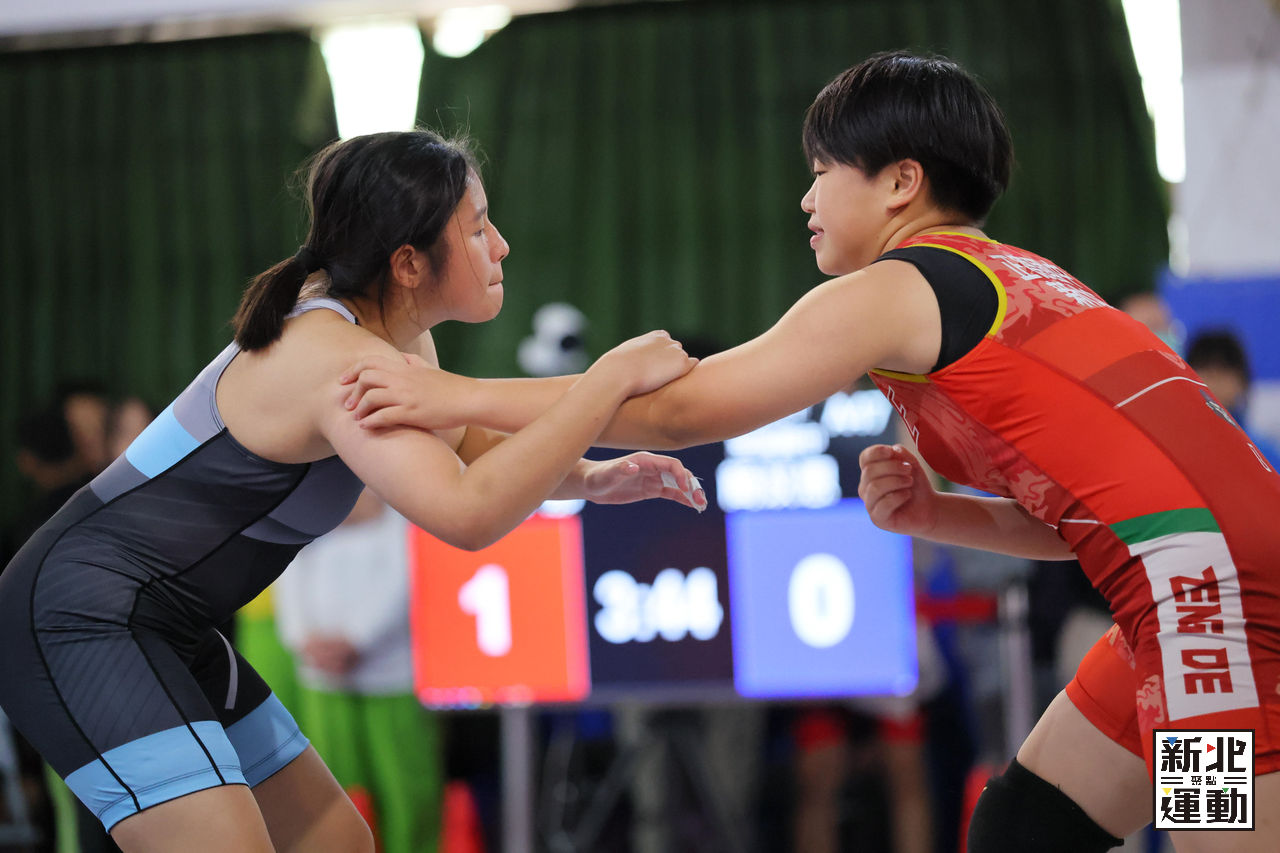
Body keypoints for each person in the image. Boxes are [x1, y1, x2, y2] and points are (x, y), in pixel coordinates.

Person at [340, 53, 1280, 852]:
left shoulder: (898, 285)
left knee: (1213, 833)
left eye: (823, 169)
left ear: (901, 183)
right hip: (1193, 578)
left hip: (1204, 593)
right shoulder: (1019, 276)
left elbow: (684, 411)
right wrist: (937, 514)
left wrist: (454, 394)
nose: (806, 196)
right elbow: (1091, 522)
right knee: (1024, 830)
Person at [0, 128, 707, 853]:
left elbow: (465, 444)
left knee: (335, 840)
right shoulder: (338, 358)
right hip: (77, 616)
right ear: (408, 263)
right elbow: (467, 512)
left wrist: (588, 476)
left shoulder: (394, 342)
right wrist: (607, 380)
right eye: (477, 229)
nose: (500, 246)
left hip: (164, 623)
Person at [272, 489, 444, 853]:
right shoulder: (310, 518)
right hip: (322, 677)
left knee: (406, 788)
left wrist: (357, 640)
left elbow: (405, 578)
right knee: (332, 787)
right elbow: (289, 576)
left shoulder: (402, 516)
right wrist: (303, 639)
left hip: (392, 678)